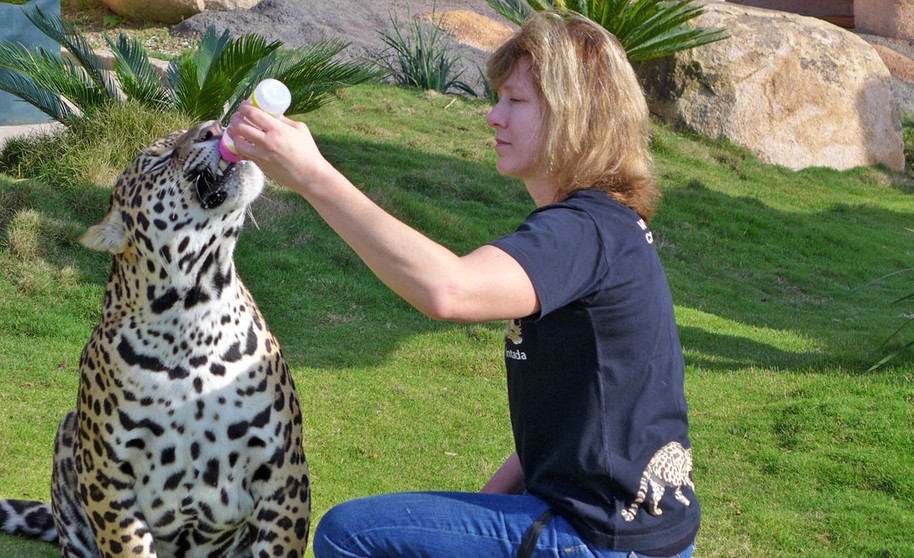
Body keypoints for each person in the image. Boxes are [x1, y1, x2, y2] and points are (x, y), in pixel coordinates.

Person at [226, 10, 700, 558]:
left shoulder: (583, 230)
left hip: (599, 540)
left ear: (576, 115)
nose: (493, 117)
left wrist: (313, 176)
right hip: (629, 533)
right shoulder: (603, 225)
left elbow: (448, 290)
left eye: (515, 101)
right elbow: (573, 420)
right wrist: (483, 504)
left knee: (349, 537)